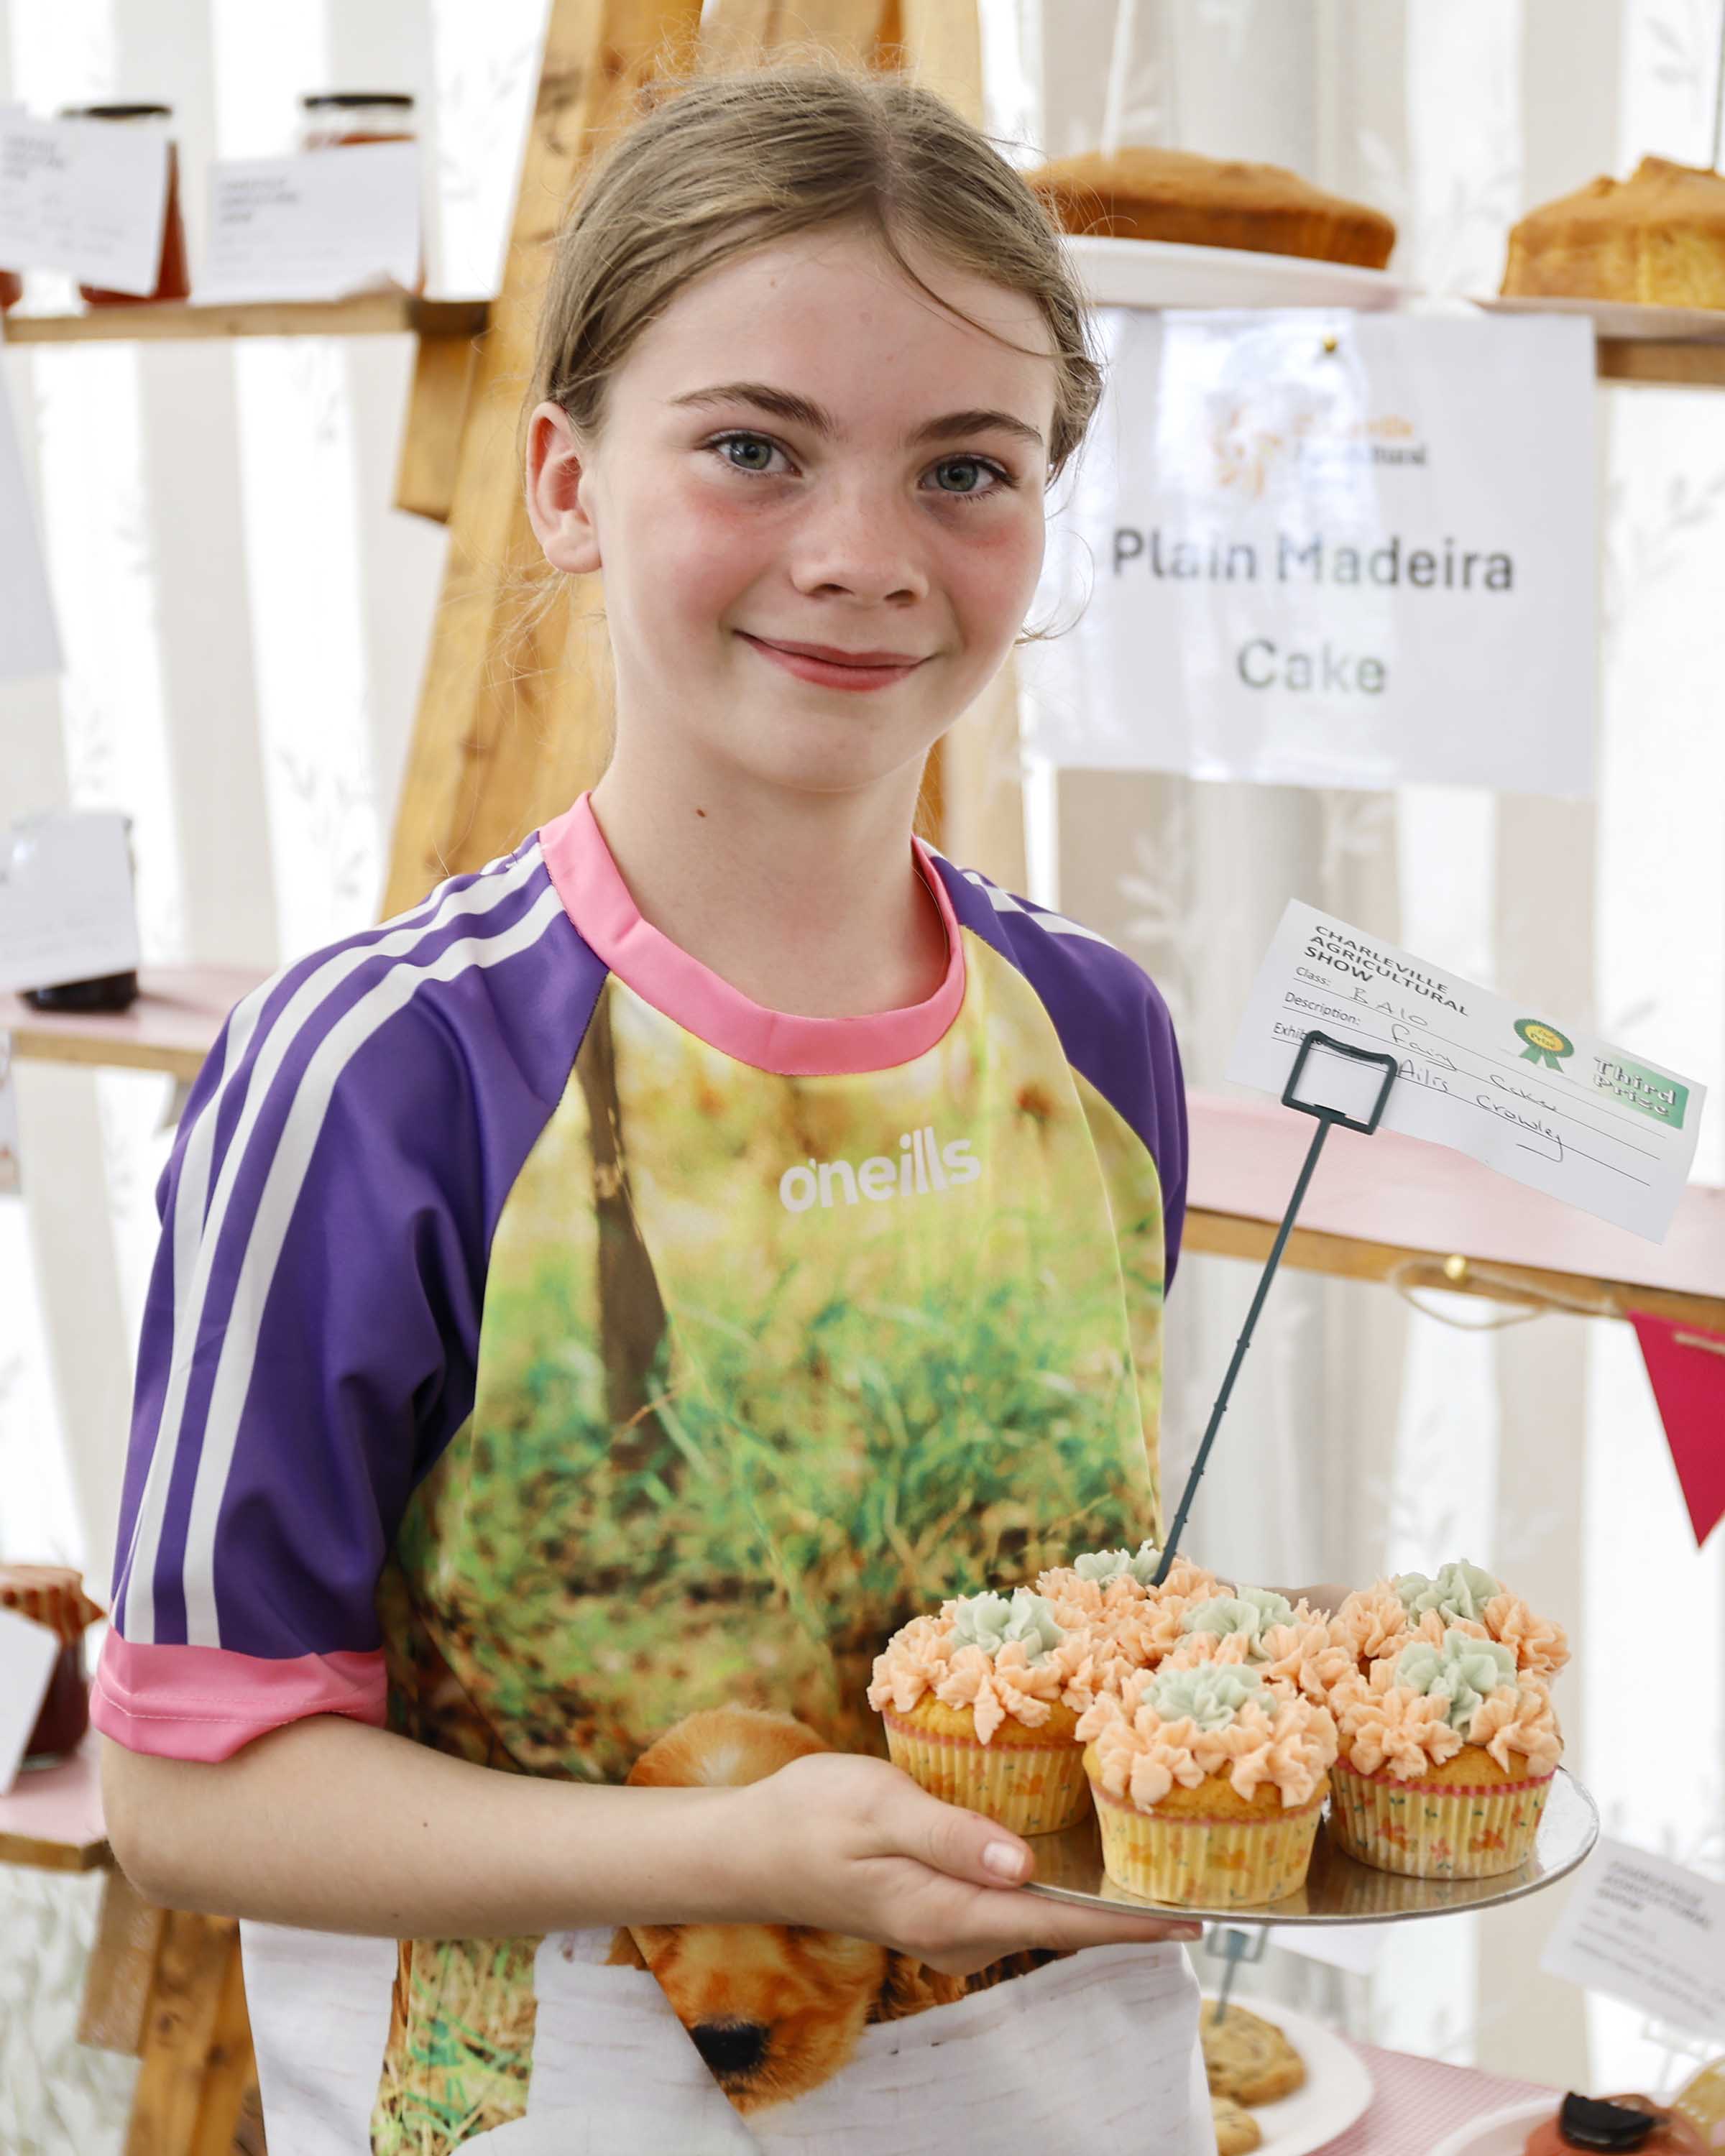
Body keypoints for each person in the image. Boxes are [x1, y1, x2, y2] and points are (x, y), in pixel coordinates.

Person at [93, 64, 1213, 2155]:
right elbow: (183, 1791)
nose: (863, 557)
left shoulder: (1098, 1034)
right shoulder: (375, 1075)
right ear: (567, 481)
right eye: (753, 448)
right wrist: (723, 1856)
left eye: (966, 468)